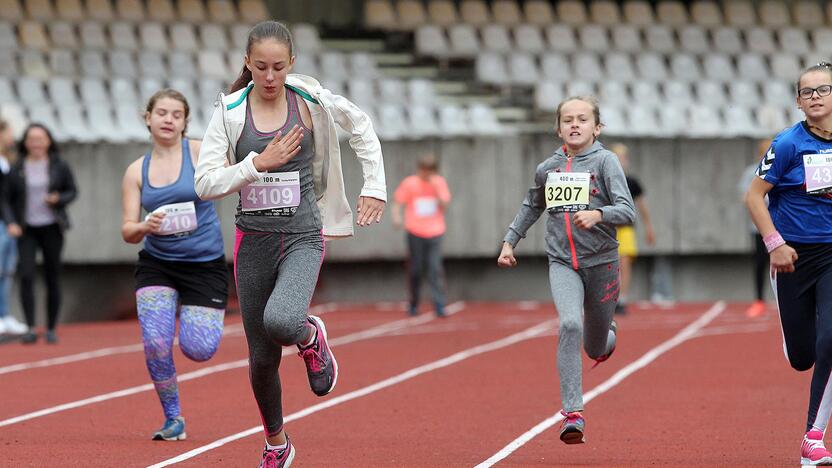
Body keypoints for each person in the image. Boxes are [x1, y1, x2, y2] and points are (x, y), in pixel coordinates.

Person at [194, 21, 386, 468]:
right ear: (247, 63)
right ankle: (277, 443)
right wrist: (256, 163)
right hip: (252, 241)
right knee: (262, 358)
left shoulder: (310, 99)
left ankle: (309, 335)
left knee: (282, 321)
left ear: (291, 65)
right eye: (260, 66)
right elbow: (204, 182)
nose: (269, 76)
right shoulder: (229, 111)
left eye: (278, 67)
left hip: (302, 234)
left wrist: (374, 186)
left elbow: (360, 126)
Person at [497, 96, 634, 445]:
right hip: (562, 263)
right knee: (570, 324)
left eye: (583, 119)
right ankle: (573, 414)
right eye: (568, 119)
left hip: (602, 263)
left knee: (595, 347)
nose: (575, 124)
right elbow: (533, 204)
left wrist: (599, 214)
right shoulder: (548, 168)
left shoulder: (606, 163)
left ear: (596, 127)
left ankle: (607, 335)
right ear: (558, 128)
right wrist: (510, 241)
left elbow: (627, 211)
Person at [121, 89, 228, 441]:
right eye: (162, 113)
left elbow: (233, 176)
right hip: (158, 263)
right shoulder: (136, 171)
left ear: (185, 122)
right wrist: (143, 226)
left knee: (198, 349)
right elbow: (127, 230)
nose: (168, 120)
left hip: (203, 264)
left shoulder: (198, 152)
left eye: (176, 114)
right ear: (148, 117)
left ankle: (190, 316)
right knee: (155, 342)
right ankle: (173, 419)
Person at [745, 61, 832, 466]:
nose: (815, 97)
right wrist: (775, 242)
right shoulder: (787, 144)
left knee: (831, 340)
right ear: (798, 101)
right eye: (807, 92)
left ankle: (813, 438)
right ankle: (798, 335)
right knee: (803, 357)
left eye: (822, 89)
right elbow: (752, 196)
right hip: (792, 256)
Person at [5, 123, 77, 344]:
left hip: (52, 226)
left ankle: (51, 327)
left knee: (52, 276)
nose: (36, 143)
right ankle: (29, 327)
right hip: (26, 229)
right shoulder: (16, 167)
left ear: (48, 141)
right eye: (32, 139)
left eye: (41, 139)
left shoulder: (59, 165)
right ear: (25, 143)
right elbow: (5, 198)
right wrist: (11, 222)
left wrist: (59, 199)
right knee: (26, 275)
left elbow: (72, 190)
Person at [391, 154, 451, 317]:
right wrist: (397, 217)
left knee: (434, 268)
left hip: (435, 232)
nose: (425, 174)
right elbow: (398, 202)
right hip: (415, 232)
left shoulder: (439, 183)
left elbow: (445, 204)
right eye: (423, 170)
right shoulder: (410, 183)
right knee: (415, 269)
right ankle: (414, 303)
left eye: (428, 171)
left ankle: (439, 304)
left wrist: (436, 189)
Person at [608, 143, 655, 315]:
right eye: (617, 157)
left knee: (624, 263)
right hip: (607, 228)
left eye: (623, 157)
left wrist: (649, 228)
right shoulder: (605, 179)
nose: (620, 161)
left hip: (625, 228)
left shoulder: (632, 182)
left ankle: (622, 298)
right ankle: (606, 297)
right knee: (608, 266)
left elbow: (642, 206)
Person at [739, 138, 773, 318]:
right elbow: (747, 197)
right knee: (760, 264)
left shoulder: (786, 167)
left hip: (783, 226)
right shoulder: (751, 172)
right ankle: (759, 300)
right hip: (759, 227)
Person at [0, 120, 25, 335]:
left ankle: (5, 314)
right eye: (9, 132)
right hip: (4, 224)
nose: (12, 137)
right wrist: (10, 222)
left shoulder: (11, 161)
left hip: (10, 223)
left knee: (7, 271)